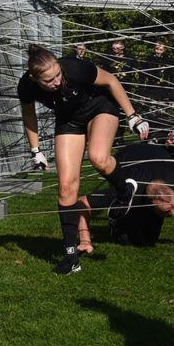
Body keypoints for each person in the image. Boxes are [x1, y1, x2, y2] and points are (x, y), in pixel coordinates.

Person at [17, 44, 149, 275]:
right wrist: (35, 150)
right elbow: (28, 115)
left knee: (98, 157)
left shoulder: (74, 68)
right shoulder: (26, 86)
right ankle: (71, 256)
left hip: (100, 107)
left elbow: (111, 81)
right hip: (69, 120)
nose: (57, 82)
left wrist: (133, 116)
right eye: (49, 80)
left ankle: (125, 188)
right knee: (66, 187)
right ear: (34, 79)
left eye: (57, 75)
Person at [71, 142, 174, 260]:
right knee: (128, 240)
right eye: (167, 211)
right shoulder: (129, 188)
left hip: (157, 154)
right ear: (150, 201)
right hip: (126, 158)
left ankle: (146, 221)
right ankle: (116, 215)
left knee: (149, 241)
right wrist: (85, 240)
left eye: (173, 206)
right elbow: (82, 203)